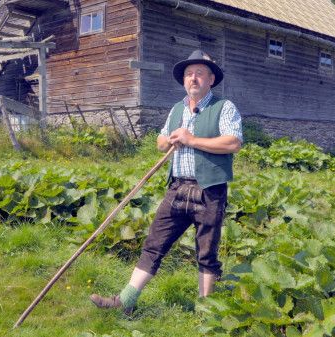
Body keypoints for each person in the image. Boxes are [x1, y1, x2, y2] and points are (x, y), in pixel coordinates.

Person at [90, 49, 243, 315]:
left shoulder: (224, 108)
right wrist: (169, 139)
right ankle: (126, 300)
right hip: (177, 188)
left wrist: (192, 140)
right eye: (188, 74)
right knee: (154, 243)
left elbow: (233, 142)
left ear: (211, 80)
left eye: (199, 74)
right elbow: (160, 142)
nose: (193, 78)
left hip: (209, 191)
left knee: (206, 252)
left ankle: (205, 311)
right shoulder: (176, 109)